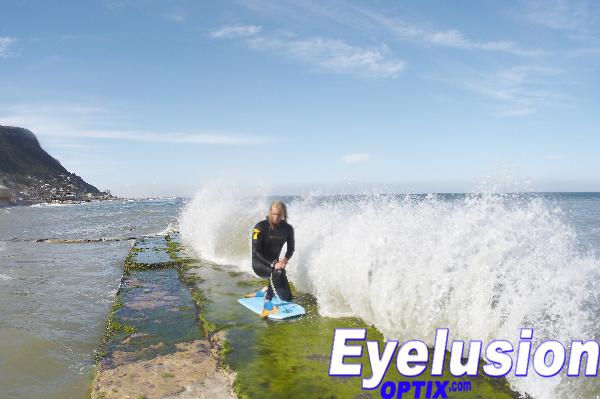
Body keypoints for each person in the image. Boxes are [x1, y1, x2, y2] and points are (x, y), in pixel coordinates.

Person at [249, 200, 295, 318]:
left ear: (283, 214)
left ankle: (265, 290)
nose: (276, 217)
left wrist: (284, 260)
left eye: (279, 215)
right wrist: (273, 263)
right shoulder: (260, 227)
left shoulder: (288, 229)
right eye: (274, 214)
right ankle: (267, 303)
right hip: (259, 264)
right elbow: (255, 252)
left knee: (288, 298)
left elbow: (291, 249)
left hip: (276, 267)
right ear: (270, 213)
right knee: (278, 272)